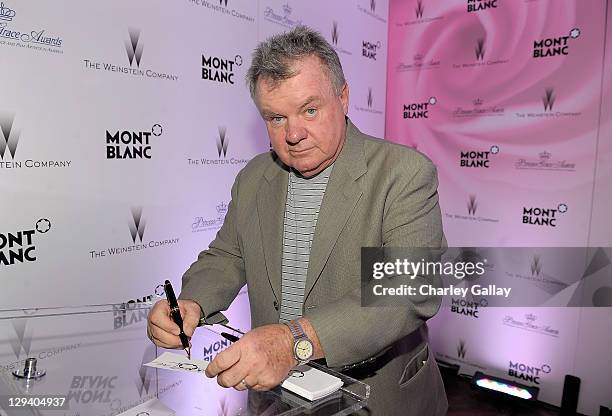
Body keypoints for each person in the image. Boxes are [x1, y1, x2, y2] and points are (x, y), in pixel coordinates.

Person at [147, 25, 448, 415]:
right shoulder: (254, 177)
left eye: (309, 110)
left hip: (374, 398)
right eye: (275, 118)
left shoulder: (403, 173)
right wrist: (191, 303)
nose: (293, 134)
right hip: (279, 399)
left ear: (342, 97)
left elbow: (405, 291)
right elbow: (227, 255)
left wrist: (292, 342)